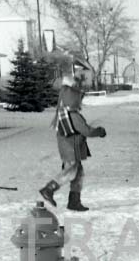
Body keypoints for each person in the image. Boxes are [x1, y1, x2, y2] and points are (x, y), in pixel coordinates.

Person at [38, 70, 106, 211]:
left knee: (78, 174)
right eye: (79, 99)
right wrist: (99, 131)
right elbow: (86, 130)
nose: (80, 102)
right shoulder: (73, 115)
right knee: (71, 171)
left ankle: (74, 202)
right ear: (73, 100)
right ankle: (49, 189)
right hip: (71, 149)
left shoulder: (64, 113)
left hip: (69, 147)